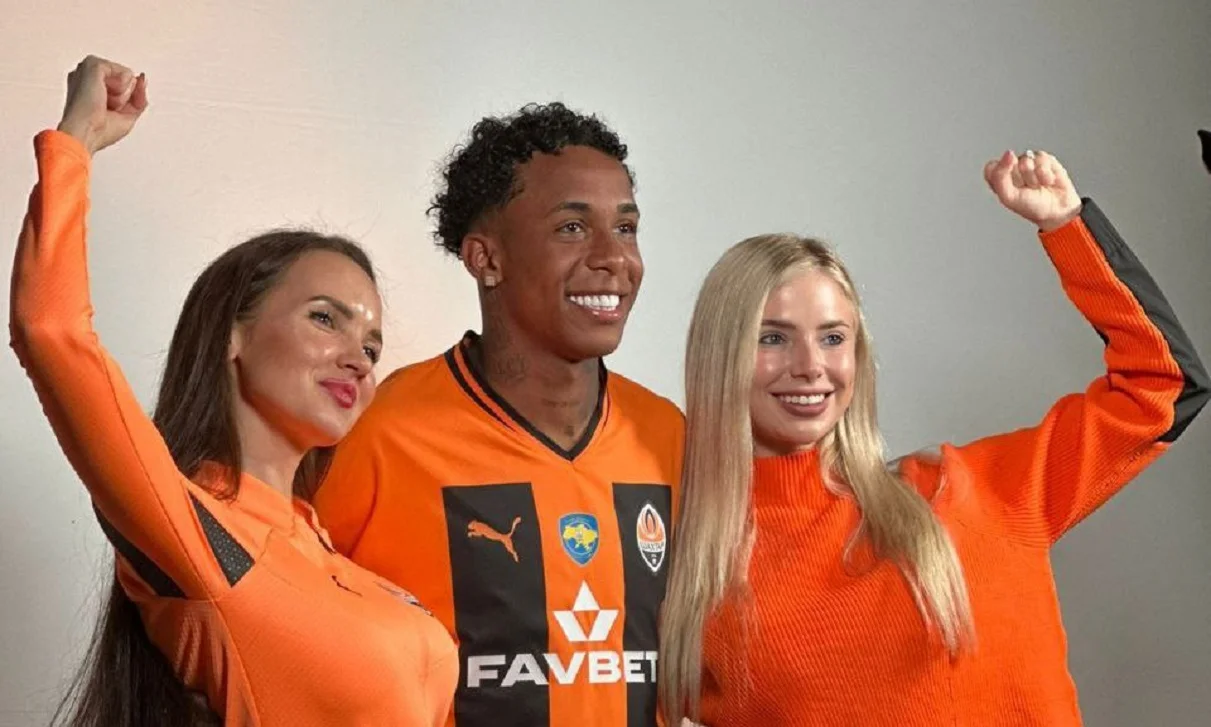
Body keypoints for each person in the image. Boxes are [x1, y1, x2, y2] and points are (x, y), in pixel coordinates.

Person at [658, 149, 1209, 726]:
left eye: (833, 338)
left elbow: (1162, 386)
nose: (810, 366)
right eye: (772, 338)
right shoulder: (691, 573)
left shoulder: (978, 492)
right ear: (720, 355)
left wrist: (1067, 224)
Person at [10, 55, 457, 727]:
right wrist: (76, 142)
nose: (358, 360)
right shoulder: (201, 530)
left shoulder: (326, 551)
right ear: (231, 335)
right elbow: (51, 331)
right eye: (325, 319)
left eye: (371, 345)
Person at [314, 103, 684, 726]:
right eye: (572, 227)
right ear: (485, 259)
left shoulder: (668, 437)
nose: (614, 258)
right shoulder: (380, 432)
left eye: (625, 228)